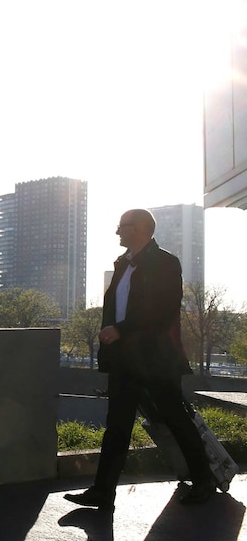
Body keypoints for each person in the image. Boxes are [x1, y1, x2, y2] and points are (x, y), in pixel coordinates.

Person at [65, 209, 215, 511]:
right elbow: (116, 310)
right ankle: (103, 492)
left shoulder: (166, 263)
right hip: (124, 360)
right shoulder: (122, 265)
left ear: (142, 229)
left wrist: (119, 330)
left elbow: (163, 311)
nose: (117, 232)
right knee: (117, 425)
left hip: (155, 359)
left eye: (123, 226)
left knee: (175, 418)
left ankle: (204, 480)